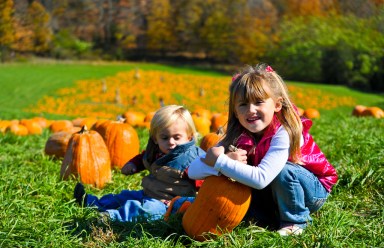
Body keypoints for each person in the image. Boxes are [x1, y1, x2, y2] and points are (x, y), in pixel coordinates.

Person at [187, 64, 338, 236]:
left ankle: (295, 221)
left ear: (277, 105)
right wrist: (220, 161)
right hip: (273, 192)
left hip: (310, 192)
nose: (251, 110)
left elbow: (261, 179)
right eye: (243, 104)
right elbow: (193, 171)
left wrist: (222, 162)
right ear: (235, 111)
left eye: (258, 102)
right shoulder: (238, 134)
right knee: (235, 179)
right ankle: (267, 218)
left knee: (284, 171)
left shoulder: (284, 132)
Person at [74, 105, 205, 222]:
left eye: (177, 137)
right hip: (148, 194)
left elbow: (204, 184)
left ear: (189, 136)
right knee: (124, 196)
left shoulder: (193, 160)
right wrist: (133, 165)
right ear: (155, 138)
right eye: (164, 138)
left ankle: (111, 217)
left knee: (146, 211)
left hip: (168, 205)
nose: (171, 142)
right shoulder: (157, 151)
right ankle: (91, 202)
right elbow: (144, 158)